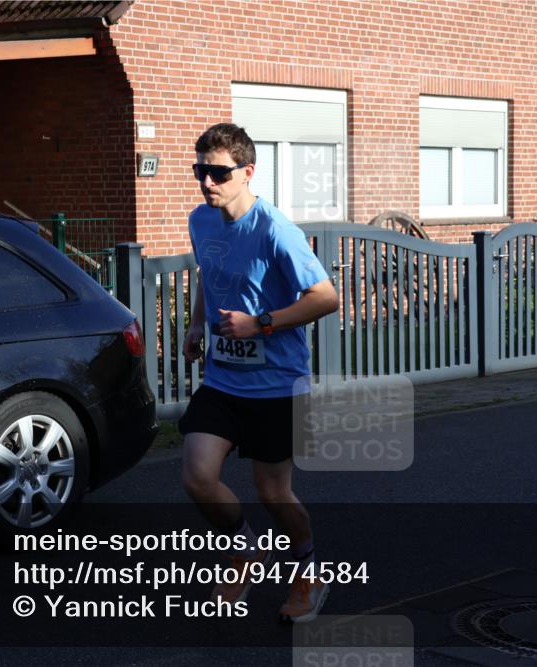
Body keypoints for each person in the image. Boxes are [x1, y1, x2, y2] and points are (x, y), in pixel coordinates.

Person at [179, 123, 339, 623]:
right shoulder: (201, 221)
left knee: (273, 493)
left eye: (218, 172)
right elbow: (211, 271)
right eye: (200, 170)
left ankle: (309, 571)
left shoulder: (276, 230)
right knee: (198, 478)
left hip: (275, 384)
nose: (208, 182)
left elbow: (326, 298)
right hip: (223, 379)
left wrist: (261, 323)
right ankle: (244, 552)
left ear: (247, 172)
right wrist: (196, 323)